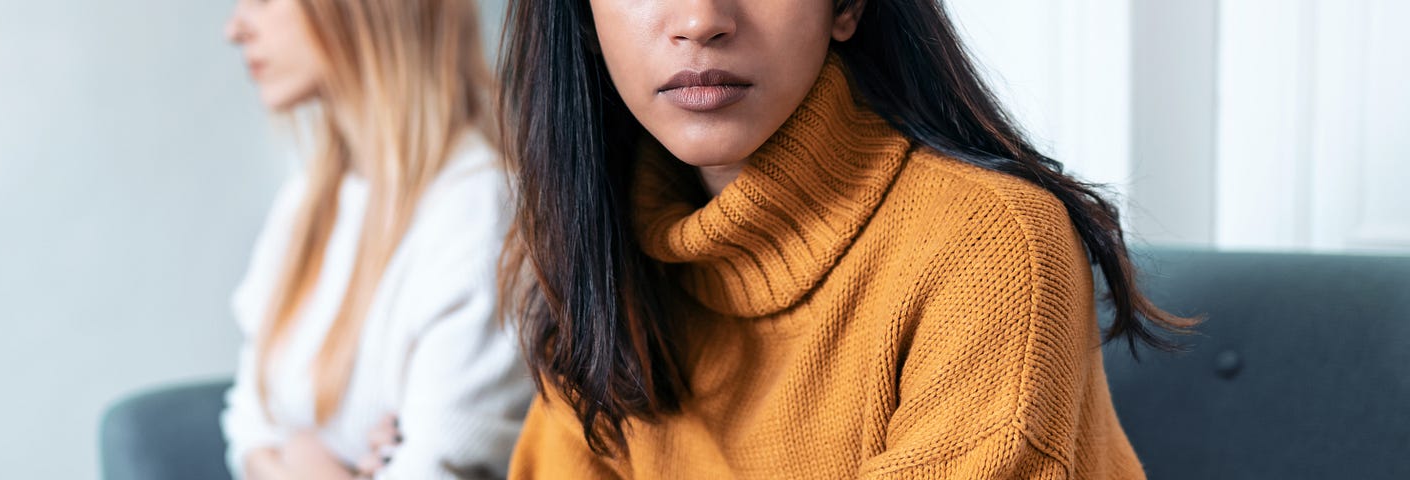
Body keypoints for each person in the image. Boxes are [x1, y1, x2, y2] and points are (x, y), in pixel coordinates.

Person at [497, 0, 1195, 477]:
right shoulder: (601, 250)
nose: (702, 20)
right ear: (583, 19)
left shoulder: (992, 246)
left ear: (847, 5)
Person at [220, 0, 531, 478]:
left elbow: (438, 466)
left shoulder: (481, 214)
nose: (235, 29)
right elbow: (248, 427)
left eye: (263, 1)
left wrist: (300, 456)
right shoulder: (305, 203)